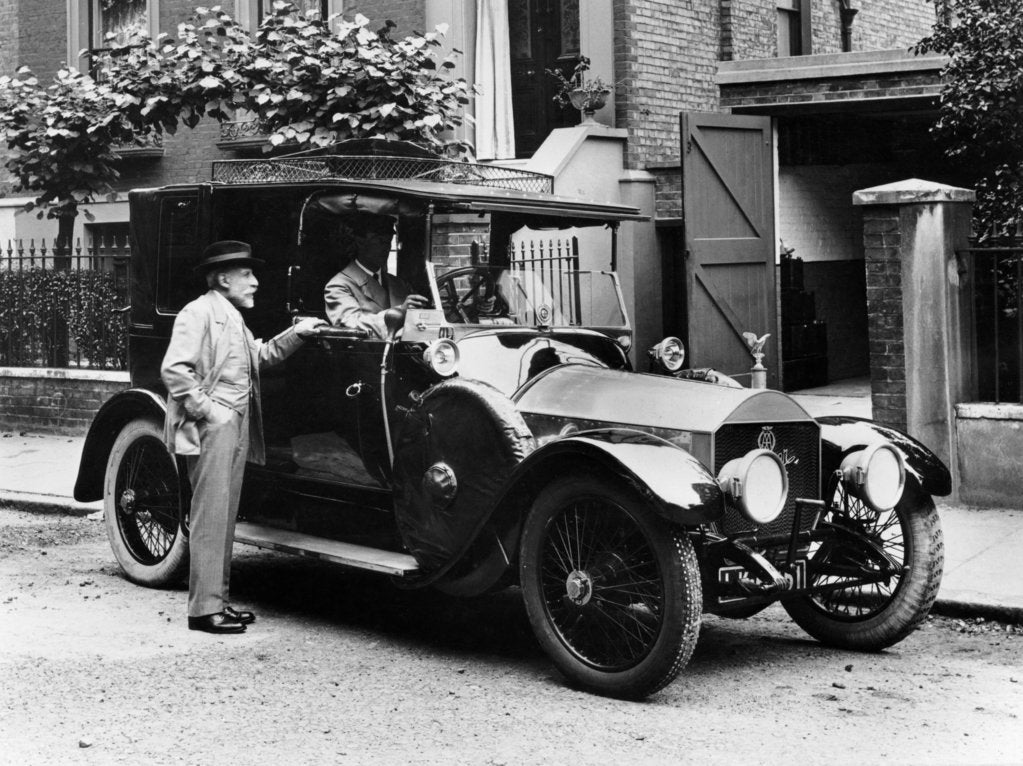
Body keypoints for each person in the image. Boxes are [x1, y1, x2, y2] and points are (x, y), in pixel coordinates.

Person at [161, 240, 326, 634]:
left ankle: (217, 603)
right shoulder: (197, 313)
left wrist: (299, 333)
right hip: (215, 426)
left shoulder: (230, 315)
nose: (255, 282)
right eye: (247, 274)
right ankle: (203, 611)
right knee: (210, 516)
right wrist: (210, 411)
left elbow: (262, 356)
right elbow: (175, 370)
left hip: (234, 426)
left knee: (224, 515)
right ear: (222, 278)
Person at [323, 213, 429, 338]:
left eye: (388, 241)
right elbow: (352, 325)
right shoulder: (339, 286)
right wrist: (400, 311)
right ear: (360, 241)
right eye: (379, 241)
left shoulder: (399, 284)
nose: (386, 248)